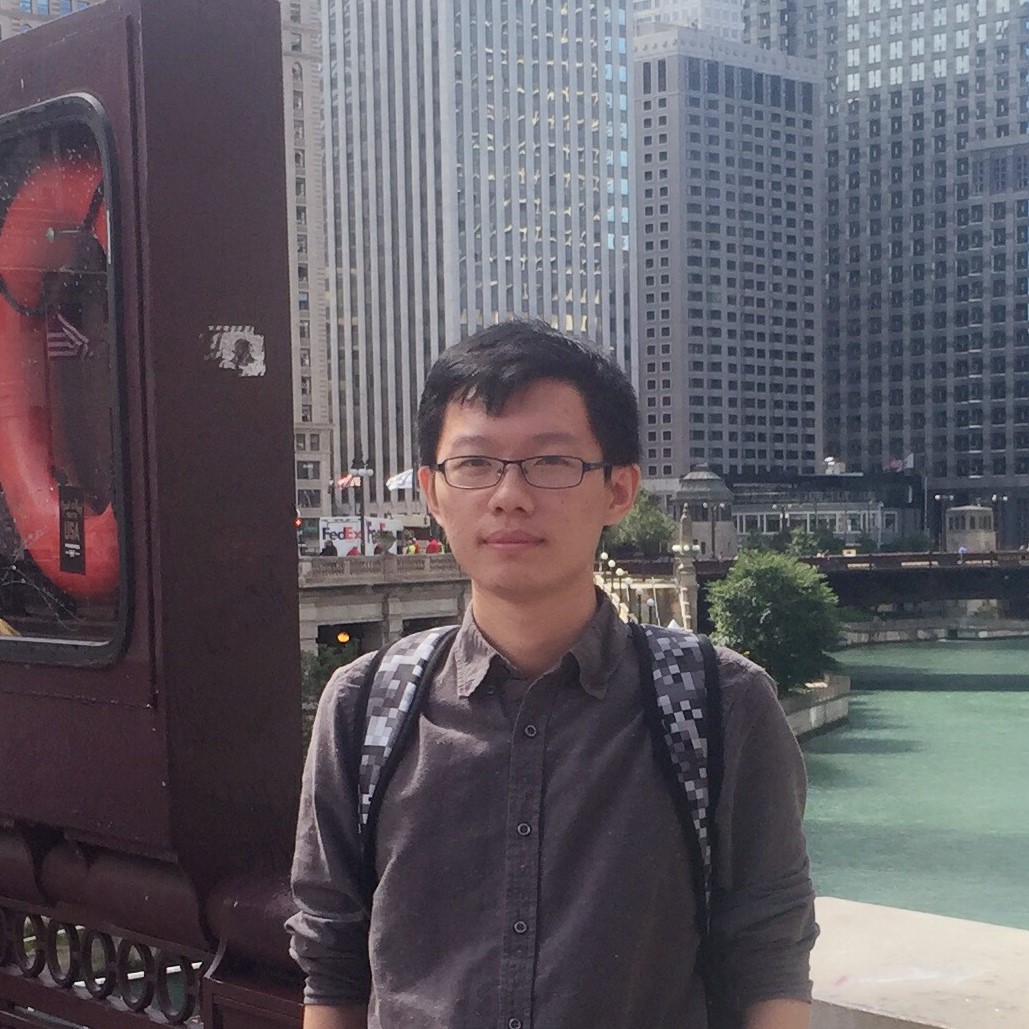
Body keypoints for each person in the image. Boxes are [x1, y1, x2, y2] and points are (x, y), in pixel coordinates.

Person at [288, 320, 817, 1029]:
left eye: (551, 462)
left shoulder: (719, 702)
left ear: (619, 489)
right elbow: (332, 958)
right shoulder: (363, 707)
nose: (509, 495)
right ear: (433, 492)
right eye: (475, 463)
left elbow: (769, 949)